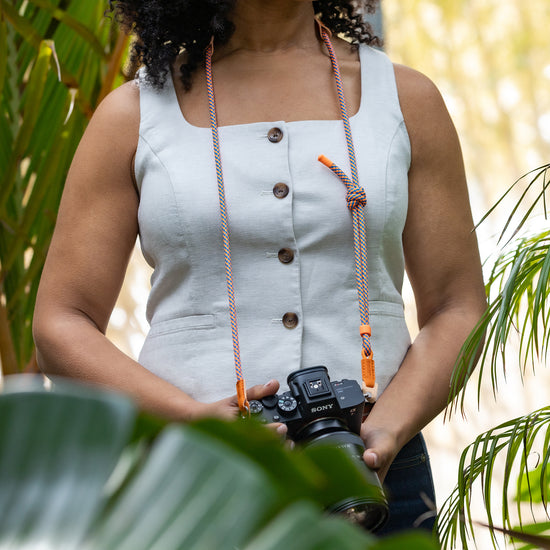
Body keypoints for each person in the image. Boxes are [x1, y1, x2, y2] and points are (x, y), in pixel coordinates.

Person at [33, 0, 487, 535]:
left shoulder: (407, 100)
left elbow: (458, 307)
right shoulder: (134, 114)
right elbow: (60, 323)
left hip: (376, 475)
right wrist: (193, 419)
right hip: (190, 479)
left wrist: (386, 429)